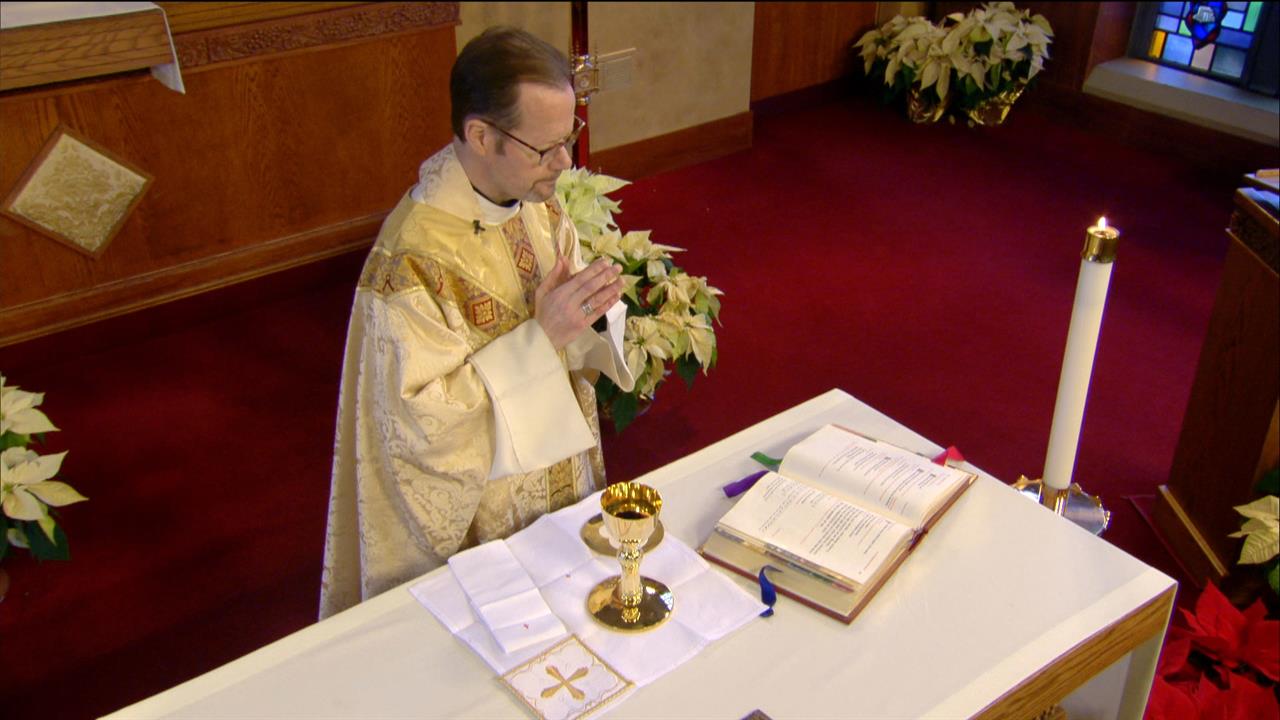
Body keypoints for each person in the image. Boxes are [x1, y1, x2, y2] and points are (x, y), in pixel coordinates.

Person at [318, 27, 634, 619]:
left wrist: (590, 313)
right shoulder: (410, 262)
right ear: (481, 136)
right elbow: (419, 427)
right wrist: (541, 339)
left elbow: (569, 335)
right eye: (546, 148)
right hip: (480, 521)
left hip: (555, 479)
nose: (565, 163)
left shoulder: (537, 198)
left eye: (569, 138)